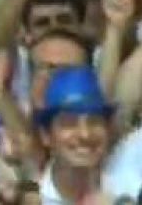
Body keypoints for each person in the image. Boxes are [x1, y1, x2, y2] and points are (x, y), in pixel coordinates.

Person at [34, 66, 113, 204]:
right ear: (46, 135)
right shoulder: (33, 199)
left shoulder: (127, 187)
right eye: (69, 123)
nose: (85, 134)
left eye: (94, 121)